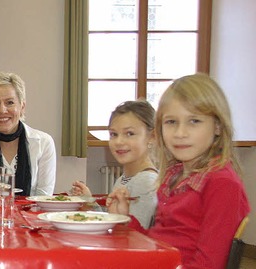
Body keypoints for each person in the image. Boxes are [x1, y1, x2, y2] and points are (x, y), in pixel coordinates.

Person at [107, 74, 250, 269]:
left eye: (194, 121)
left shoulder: (221, 184)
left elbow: (208, 264)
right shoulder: (175, 177)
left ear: (217, 126)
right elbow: (159, 242)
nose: (180, 133)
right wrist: (125, 220)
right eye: (171, 122)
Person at [71, 100, 158, 228]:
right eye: (113, 134)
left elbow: (134, 237)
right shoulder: (124, 179)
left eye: (129, 133)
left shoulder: (145, 182)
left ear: (152, 137)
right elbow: (112, 222)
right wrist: (89, 201)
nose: (119, 141)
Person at [0, 72, 56, 196]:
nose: (2, 110)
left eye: (9, 102)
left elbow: (43, 198)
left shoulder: (44, 143)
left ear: (22, 106)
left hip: (31, 214)